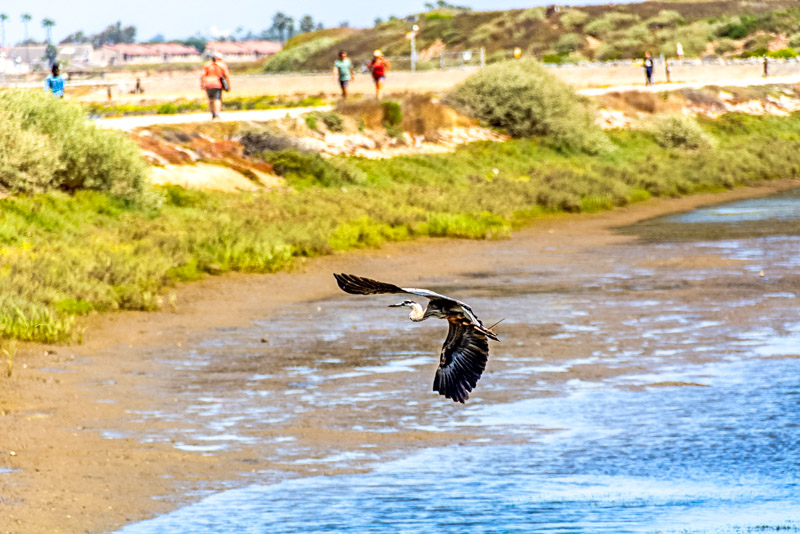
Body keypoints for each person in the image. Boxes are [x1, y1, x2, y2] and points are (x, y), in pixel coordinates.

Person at [201, 53, 230, 119]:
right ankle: (217, 114)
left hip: (208, 83)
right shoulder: (221, 65)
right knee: (217, 99)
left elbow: (202, 75)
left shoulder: (207, 65)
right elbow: (226, 75)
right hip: (217, 83)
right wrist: (228, 85)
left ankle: (212, 113)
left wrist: (202, 84)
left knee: (210, 99)